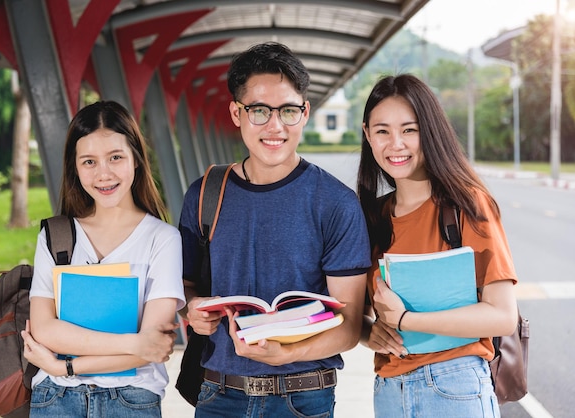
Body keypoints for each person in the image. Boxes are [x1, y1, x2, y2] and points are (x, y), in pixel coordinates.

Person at [179, 42, 371, 417]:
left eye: (287, 110)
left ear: (305, 112)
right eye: (259, 111)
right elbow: (185, 286)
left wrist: (285, 353)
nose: (275, 125)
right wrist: (192, 310)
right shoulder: (204, 194)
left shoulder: (336, 203)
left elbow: (348, 329)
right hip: (219, 395)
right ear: (236, 113)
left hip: (303, 398)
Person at [356, 74, 518, 417]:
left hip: (454, 385)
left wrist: (405, 320)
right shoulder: (372, 218)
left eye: (409, 130)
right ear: (367, 134)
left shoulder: (467, 205)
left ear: (429, 131)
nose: (395, 144)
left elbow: (503, 316)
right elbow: (360, 314)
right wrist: (370, 333)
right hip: (388, 390)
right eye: (382, 131)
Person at [20, 100, 185, 417]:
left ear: (136, 160)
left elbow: (153, 347)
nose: (104, 173)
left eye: (116, 157)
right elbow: (44, 330)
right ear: (75, 167)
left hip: (131, 401)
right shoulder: (56, 237)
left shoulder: (162, 240)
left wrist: (63, 365)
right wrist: (133, 343)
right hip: (54, 401)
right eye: (89, 162)